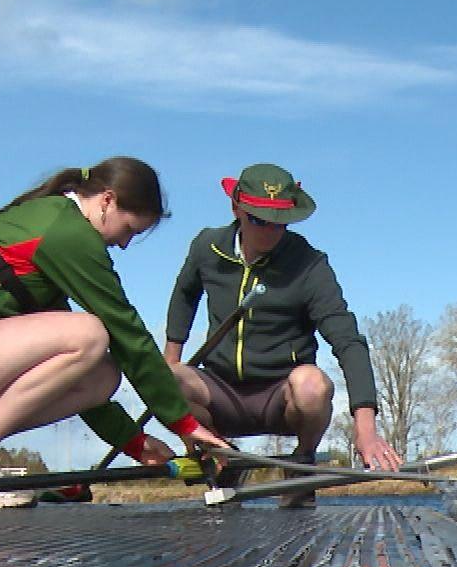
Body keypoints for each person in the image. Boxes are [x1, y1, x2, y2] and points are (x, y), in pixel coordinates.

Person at [0, 157, 228, 507]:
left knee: (101, 374)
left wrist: (135, 443)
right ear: (107, 201)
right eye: (129, 229)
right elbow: (125, 329)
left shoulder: (51, 231)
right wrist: (184, 422)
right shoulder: (64, 232)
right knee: (91, 334)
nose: (125, 244)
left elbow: (71, 373)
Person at [164, 163, 402, 509]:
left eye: (280, 222)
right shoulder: (206, 247)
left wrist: (365, 428)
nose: (270, 232)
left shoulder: (309, 264)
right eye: (259, 220)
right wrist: (172, 360)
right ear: (236, 208)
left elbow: (348, 340)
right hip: (220, 390)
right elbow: (184, 296)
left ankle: (301, 466)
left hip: (281, 396)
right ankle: (223, 458)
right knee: (161, 378)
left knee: (313, 384)